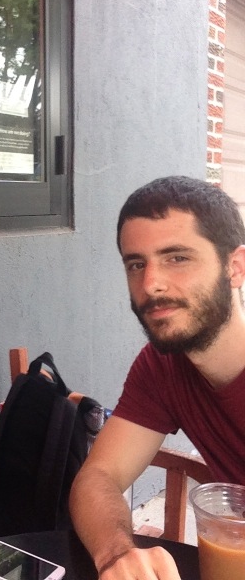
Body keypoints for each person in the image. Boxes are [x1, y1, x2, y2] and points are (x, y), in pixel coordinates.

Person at [70, 175, 245, 580]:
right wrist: (117, 554)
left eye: (177, 258)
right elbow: (98, 476)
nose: (151, 284)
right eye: (136, 264)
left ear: (235, 267)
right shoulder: (162, 367)